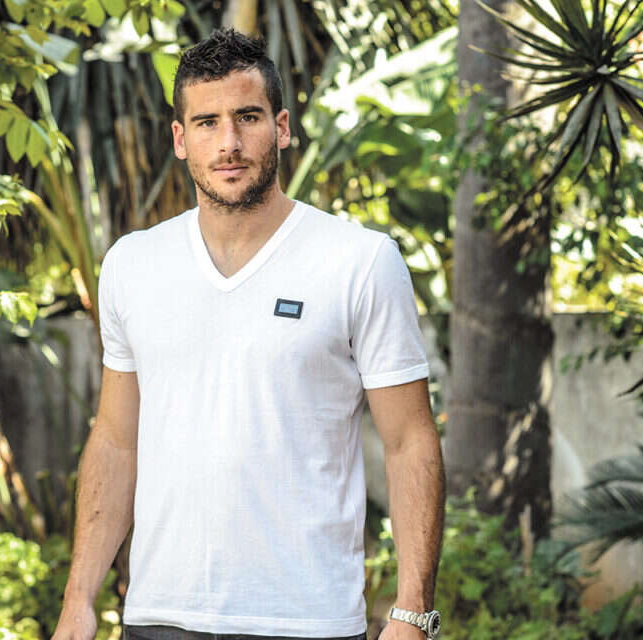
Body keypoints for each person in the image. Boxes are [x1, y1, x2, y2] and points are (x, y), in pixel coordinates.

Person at [51, 28, 445, 640]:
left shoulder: (359, 261)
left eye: (248, 117)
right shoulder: (133, 264)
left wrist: (413, 609)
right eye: (206, 122)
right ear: (180, 139)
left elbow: (410, 441)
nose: (228, 143)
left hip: (307, 621)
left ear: (281, 127)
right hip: (159, 618)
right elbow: (116, 441)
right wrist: (79, 598)